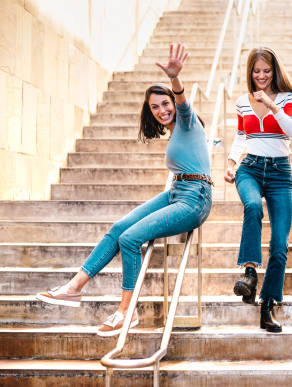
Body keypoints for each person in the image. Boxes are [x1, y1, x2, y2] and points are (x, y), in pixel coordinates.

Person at [36, 43, 213, 337]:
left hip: (196, 198)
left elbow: (181, 100)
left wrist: (175, 78)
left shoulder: (188, 121)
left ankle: (126, 313)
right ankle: (73, 287)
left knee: (131, 239)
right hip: (177, 192)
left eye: (164, 104)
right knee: (119, 228)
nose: (161, 110)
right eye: (155, 107)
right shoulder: (174, 134)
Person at [224, 47, 292, 333]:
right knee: (253, 206)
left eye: (266, 71)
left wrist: (271, 104)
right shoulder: (242, 102)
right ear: (250, 72)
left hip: (280, 173)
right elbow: (241, 135)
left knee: (280, 246)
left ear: (275, 72)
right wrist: (231, 163)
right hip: (251, 169)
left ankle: (268, 304)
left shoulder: (286, 99)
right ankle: (249, 273)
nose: (261, 76)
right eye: (256, 71)